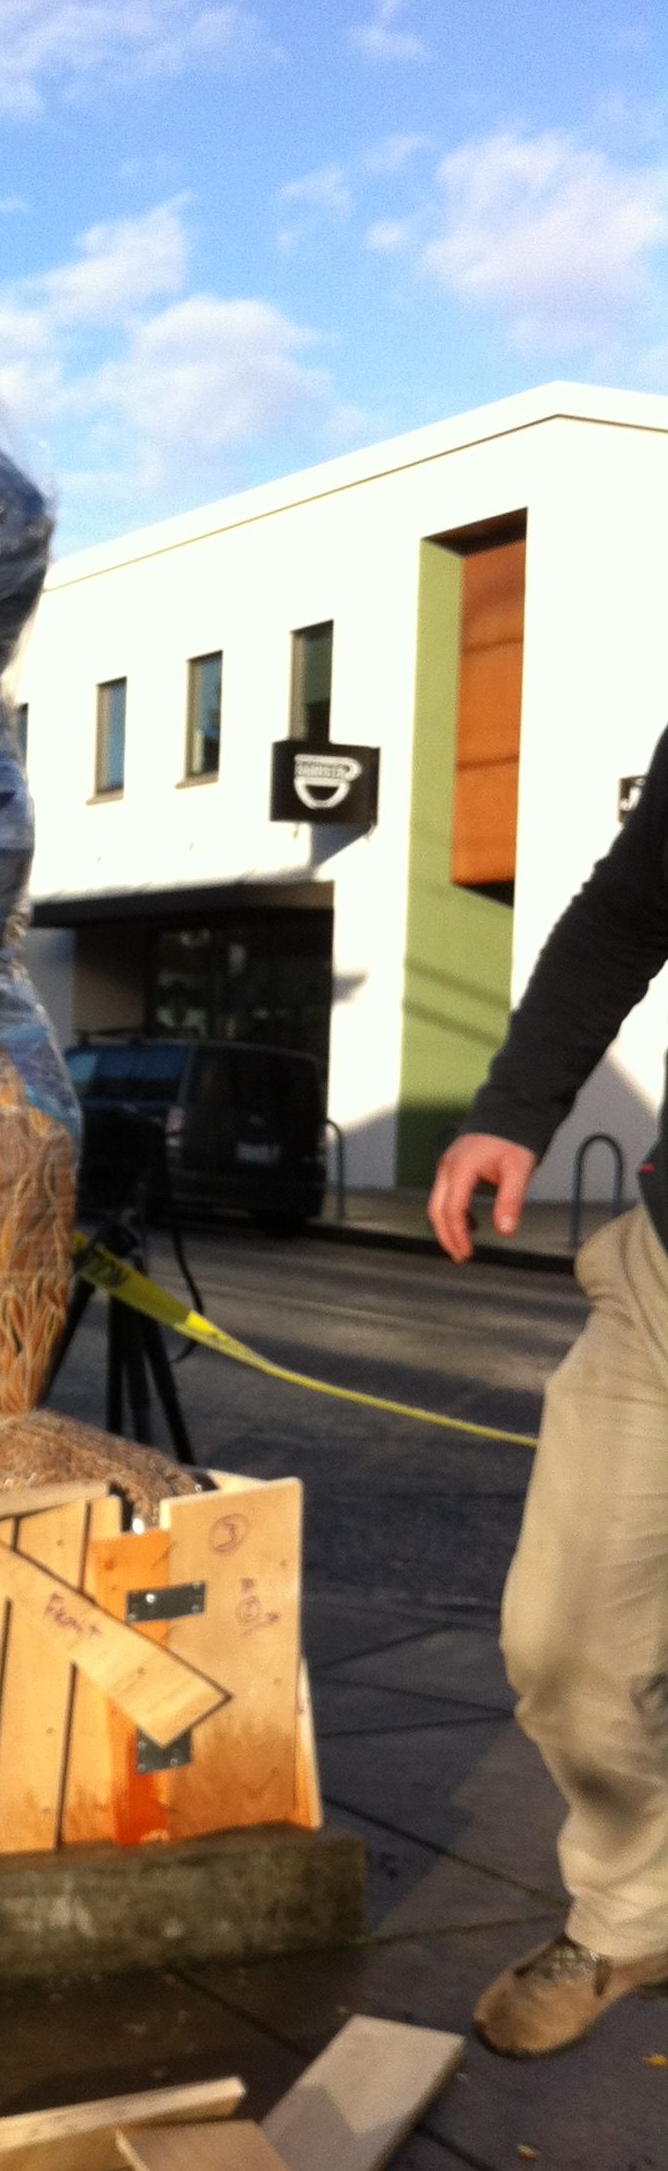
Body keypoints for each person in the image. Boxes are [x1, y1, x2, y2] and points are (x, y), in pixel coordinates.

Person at [430, 720, 668, 2059]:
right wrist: (515, 1108)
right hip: (665, 1281)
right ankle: (635, 1913)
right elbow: (633, 902)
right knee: (566, 1634)